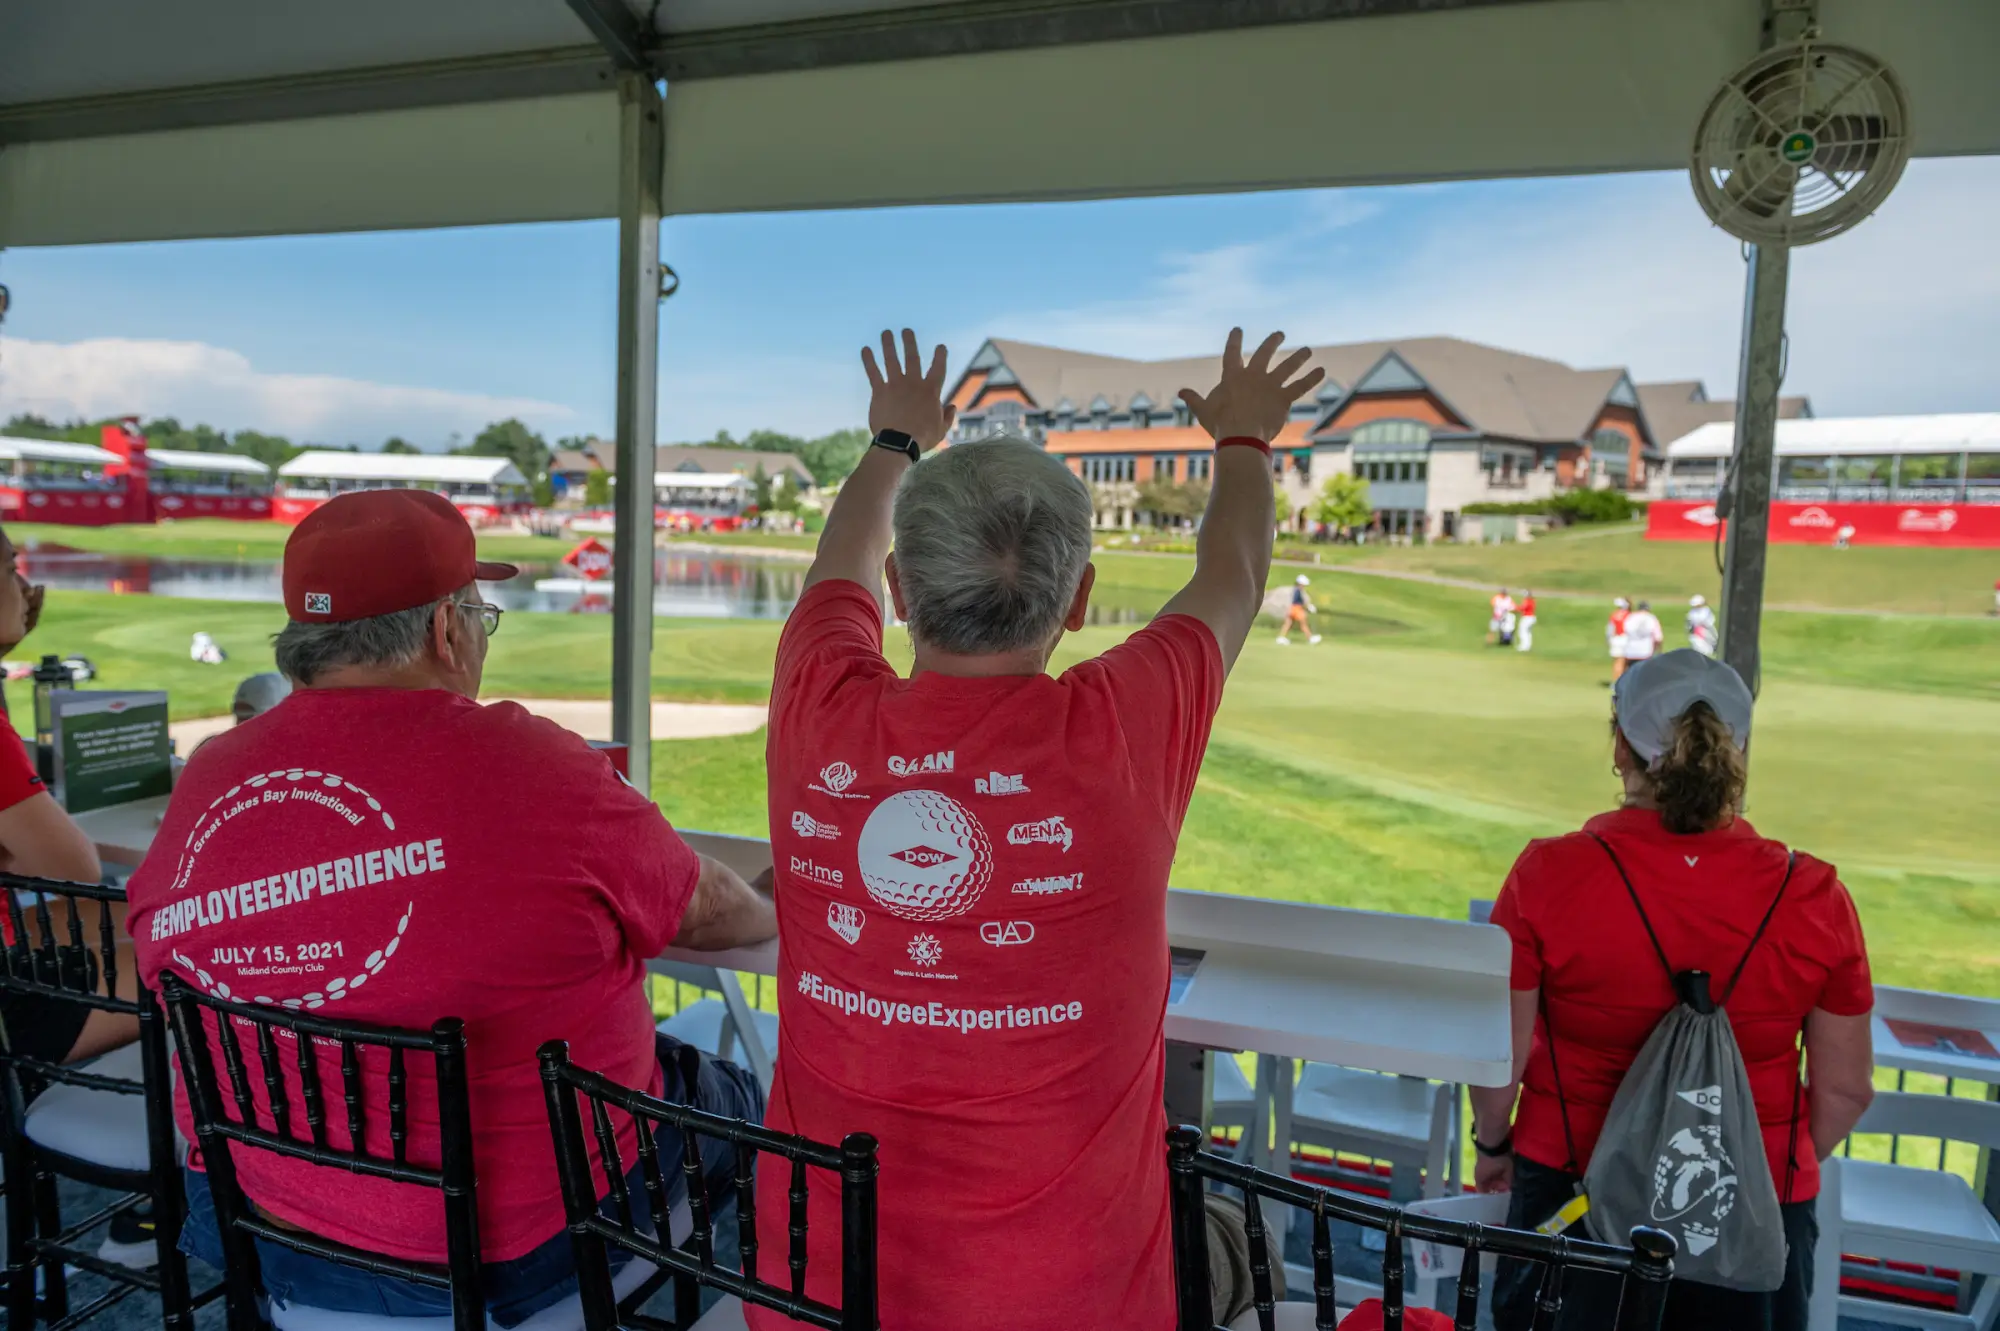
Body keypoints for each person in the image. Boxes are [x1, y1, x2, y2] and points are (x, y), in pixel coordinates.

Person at [759, 327, 1322, 1331]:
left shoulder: (818, 698)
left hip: (807, 1294)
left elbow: (834, 557)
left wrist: (894, 437)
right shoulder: (1118, 724)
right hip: (1074, 1302)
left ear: (898, 593)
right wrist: (1241, 438)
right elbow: (1233, 574)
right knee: (1253, 1236)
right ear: (1079, 601)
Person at [128, 490, 779, 1324]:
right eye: (480, 613)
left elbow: (157, 951)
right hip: (532, 1253)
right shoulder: (529, 762)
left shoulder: (211, 775)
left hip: (270, 1239)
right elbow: (706, 910)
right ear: (445, 629)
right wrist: (768, 902)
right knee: (738, 1097)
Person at [1469, 651, 1876, 1331]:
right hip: (1755, 1206)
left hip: (1571, 1191)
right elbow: (1846, 1090)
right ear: (1736, 751)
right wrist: (1745, 1158)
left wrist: (1492, 1145)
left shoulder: (1548, 872)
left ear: (1620, 747)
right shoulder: (1815, 894)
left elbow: (1497, 1058)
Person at [1277, 574, 1322, 645]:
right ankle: (1310, 638)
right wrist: (1309, 607)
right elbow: (1301, 601)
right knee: (1303, 624)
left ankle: (1281, 638)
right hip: (1296, 609)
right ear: (1300, 584)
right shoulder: (1298, 591)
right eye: (1303, 584)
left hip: (1292, 608)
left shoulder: (1296, 590)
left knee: (1288, 623)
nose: (1304, 586)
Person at [1622, 598, 1664, 670]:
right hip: (1645, 652)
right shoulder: (1651, 618)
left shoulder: (1631, 617)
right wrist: (1659, 651)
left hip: (1631, 651)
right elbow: (1658, 638)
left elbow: (1625, 632)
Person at [1606, 597, 1631, 682]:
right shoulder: (1629, 615)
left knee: (1617, 662)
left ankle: (1616, 681)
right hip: (1625, 639)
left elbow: (1610, 630)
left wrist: (1608, 640)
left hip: (1615, 639)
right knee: (1623, 663)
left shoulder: (1614, 615)